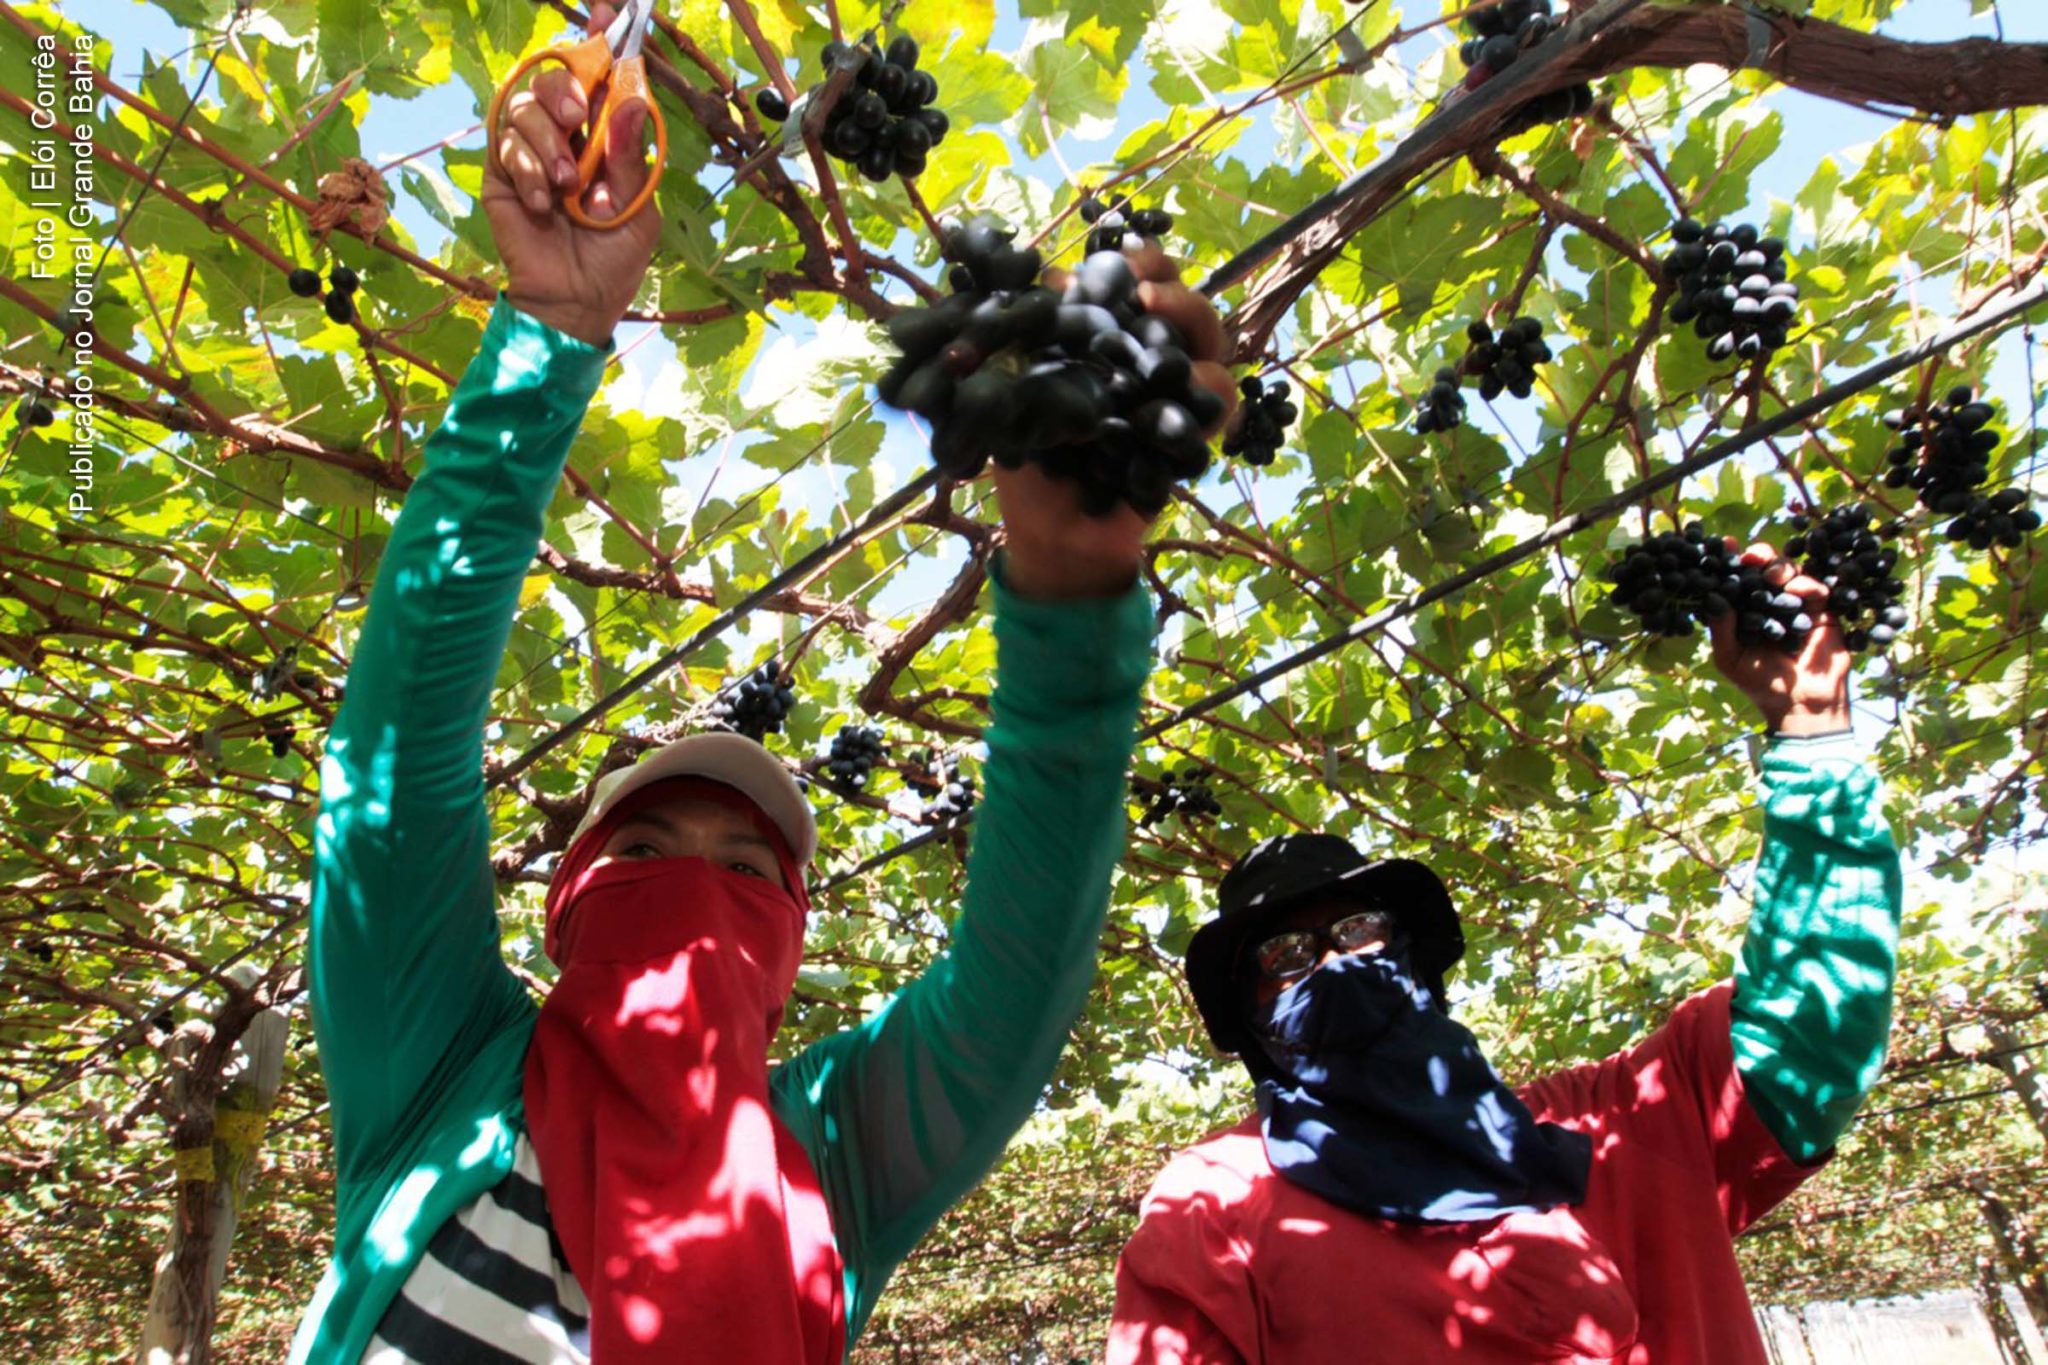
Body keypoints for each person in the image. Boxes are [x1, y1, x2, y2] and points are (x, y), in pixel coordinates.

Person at [288, 16, 1236, 1361]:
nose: (694, 881)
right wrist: (549, 336)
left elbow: (1015, 981)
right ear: (564, 897)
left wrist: (1074, 613)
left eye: (747, 869)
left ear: (790, 949)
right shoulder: (439, 1066)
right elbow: (394, 760)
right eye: (649, 847)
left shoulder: (838, 1149)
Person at [1108, 544, 1904, 1364]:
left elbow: (1814, 1026)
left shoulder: (1624, 1119)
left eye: (1358, 932)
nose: (1334, 962)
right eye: (1284, 953)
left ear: (1414, 957)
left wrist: (1812, 739)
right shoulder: (1216, 1202)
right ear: (1252, 1016)